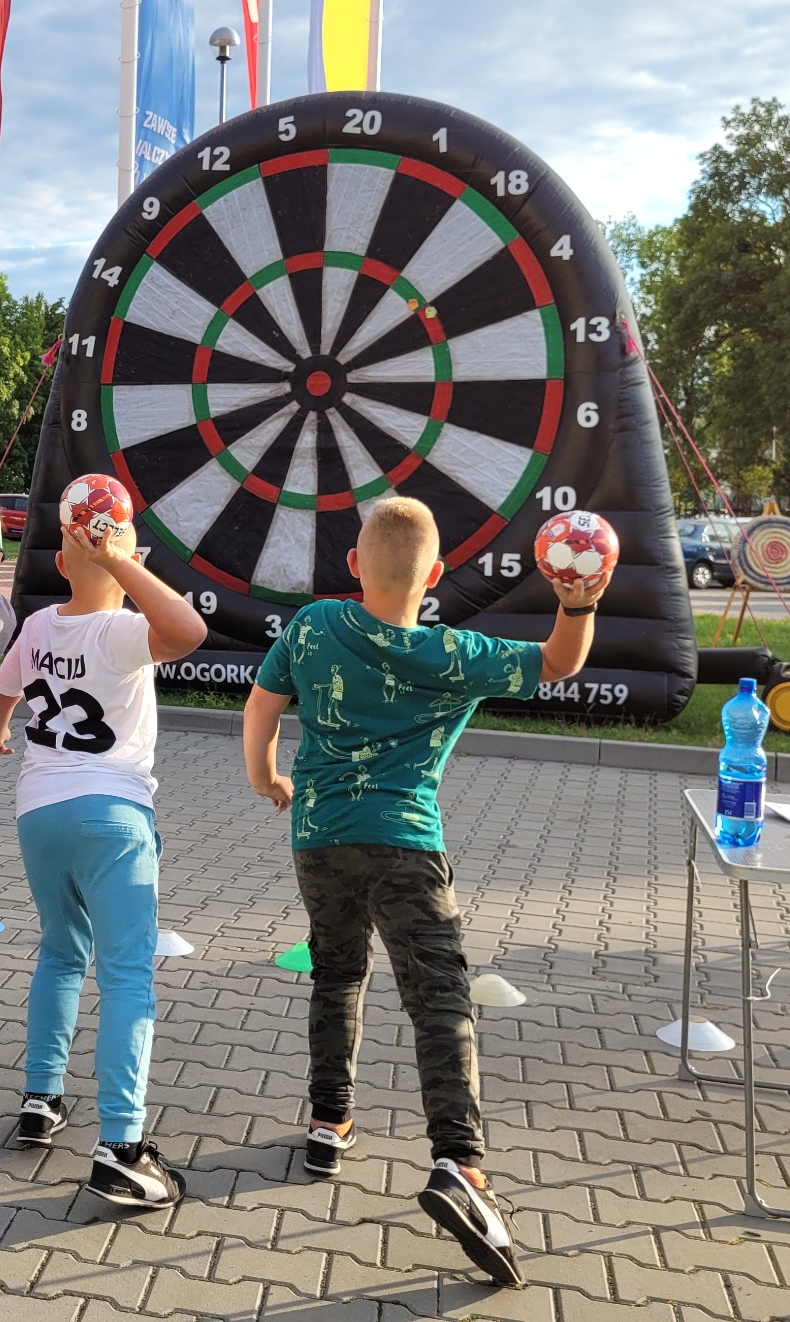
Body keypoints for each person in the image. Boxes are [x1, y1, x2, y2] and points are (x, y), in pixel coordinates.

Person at [240, 497, 610, 1291]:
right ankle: (460, 1164)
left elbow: (262, 707)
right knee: (439, 1001)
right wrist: (578, 601)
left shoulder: (311, 628)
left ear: (352, 566)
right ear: (436, 575)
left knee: (337, 974)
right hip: (406, 843)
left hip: (318, 837)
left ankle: (327, 1124)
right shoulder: (458, 653)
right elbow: (559, 662)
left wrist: (265, 776)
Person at [0, 516, 207, 1210]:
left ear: (59, 561)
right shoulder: (124, 631)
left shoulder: (43, 625)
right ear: (128, 556)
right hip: (112, 815)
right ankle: (121, 1147)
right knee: (128, 974)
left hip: (38, 812)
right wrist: (123, 563)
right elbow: (189, 630)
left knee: (60, 950)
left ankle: (42, 1097)